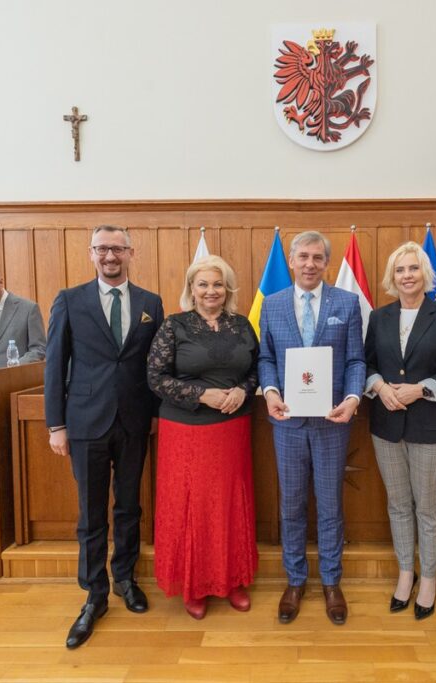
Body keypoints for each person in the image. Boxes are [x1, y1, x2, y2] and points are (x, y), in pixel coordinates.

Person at [43, 225, 164, 649]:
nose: (110, 256)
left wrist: (155, 416)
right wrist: (55, 425)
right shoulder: (70, 300)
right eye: (102, 249)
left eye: (117, 248)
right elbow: (55, 365)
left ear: (131, 252)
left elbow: (155, 368)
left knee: (129, 507)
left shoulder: (151, 302)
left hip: (134, 423)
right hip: (85, 424)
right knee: (91, 515)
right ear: (91, 253)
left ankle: (124, 580)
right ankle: (93, 596)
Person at [258, 230, 365, 626]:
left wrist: (353, 399)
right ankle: (295, 579)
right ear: (290, 260)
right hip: (286, 421)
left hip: (333, 421)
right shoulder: (272, 304)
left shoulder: (347, 303)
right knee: (291, 506)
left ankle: (332, 582)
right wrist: (269, 391)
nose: (309, 264)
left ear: (326, 263)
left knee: (331, 505)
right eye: (303, 256)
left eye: (318, 258)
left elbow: (356, 360)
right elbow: (266, 357)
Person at [146, 255, 259, 620]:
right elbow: (156, 377)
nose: (211, 291)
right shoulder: (173, 326)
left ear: (228, 288)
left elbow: (257, 370)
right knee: (191, 508)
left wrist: (243, 390)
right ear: (191, 289)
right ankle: (194, 585)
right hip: (186, 430)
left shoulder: (242, 325)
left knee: (228, 504)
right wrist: (200, 395)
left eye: (218, 284)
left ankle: (233, 580)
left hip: (232, 428)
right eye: (203, 284)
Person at [364, 242, 436, 620]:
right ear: (392, 278)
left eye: (413, 268)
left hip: (430, 427)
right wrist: (379, 388)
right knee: (398, 505)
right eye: (399, 270)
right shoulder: (379, 317)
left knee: (428, 508)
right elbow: (366, 363)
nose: (406, 276)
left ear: (426, 274)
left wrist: (420, 388)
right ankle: (406, 573)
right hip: (386, 424)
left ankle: (430, 579)